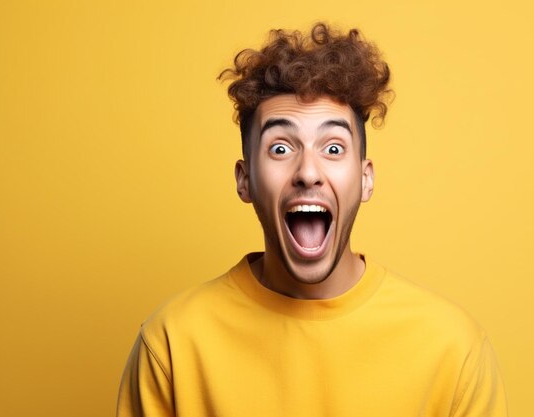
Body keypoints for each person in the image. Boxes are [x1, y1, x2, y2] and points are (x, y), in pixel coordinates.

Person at [117, 23, 508, 417]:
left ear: (365, 179)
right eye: (281, 147)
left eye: (333, 147)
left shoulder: (453, 350)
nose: (308, 171)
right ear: (245, 179)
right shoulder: (172, 344)